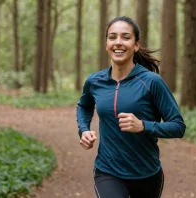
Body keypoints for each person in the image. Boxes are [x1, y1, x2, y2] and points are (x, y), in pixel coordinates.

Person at [76, 16, 186, 198]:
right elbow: (84, 106)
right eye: (112, 37)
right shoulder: (95, 81)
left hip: (146, 173)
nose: (118, 42)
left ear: (136, 45)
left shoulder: (151, 82)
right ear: (106, 44)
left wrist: (143, 126)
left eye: (126, 37)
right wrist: (84, 130)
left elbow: (178, 126)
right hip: (107, 170)